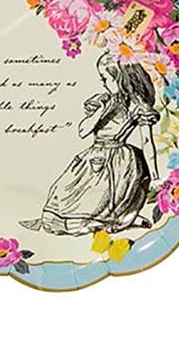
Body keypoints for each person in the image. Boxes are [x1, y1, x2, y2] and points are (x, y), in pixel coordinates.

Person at [21, 52, 160, 236]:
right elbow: (83, 131)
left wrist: (155, 176)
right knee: (65, 190)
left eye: (106, 79)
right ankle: (57, 219)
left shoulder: (137, 107)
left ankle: (124, 219)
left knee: (102, 200)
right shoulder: (103, 101)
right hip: (93, 154)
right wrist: (101, 110)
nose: (103, 83)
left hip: (118, 160)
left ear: (121, 79)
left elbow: (147, 142)